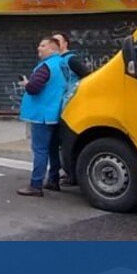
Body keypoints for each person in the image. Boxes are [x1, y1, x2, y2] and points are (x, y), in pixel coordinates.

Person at [17, 37, 68, 197]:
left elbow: (34, 88)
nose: (39, 48)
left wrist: (26, 84)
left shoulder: (46, 67)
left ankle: (35, 185)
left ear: (52, 49)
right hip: (56, 113)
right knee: (53, 148)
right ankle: (53, 180)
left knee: (40, 150)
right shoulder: (62, 64)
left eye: (43, 45)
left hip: (42, 115)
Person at [51, 32, 93, 187]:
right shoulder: (55, 60)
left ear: (65, 43)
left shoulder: (71, 59)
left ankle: (72, 175)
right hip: (59, 106)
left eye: (58, 40)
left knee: (68, 141)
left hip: (71, 106)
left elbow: (88, 76)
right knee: (60, 142)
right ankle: (66, 172)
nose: (54, 43)